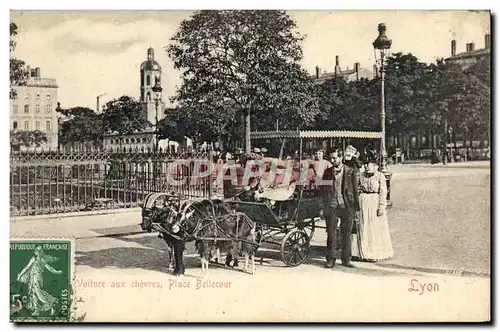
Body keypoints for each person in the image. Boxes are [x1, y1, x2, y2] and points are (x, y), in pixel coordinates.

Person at [321, 149, 360, 268]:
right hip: (332, 206)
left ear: (341, 157)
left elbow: (355, 191)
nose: (332, 161)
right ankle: (331, 259)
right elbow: (322, 191)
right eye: (331, 158)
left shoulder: (350, 172)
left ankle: (346, 259)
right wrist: (321, 208)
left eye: (334, 158)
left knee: (346, 234)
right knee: (331, 234)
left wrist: (356, 209)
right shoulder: (327, 172)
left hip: (347, 206)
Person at [351, 155, 394, 262]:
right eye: (364, 164)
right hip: (363, 202)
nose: (366, 166)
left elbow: (383, 192)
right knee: (363, 226)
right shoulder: (360, 175)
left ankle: (374, 252)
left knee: (374, 227)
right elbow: (356, 189)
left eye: (368, 164)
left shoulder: (380, 176)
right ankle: (361, 252)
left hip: (374, 202)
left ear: (374, 165)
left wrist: (381, 206)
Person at [16, 246, 63, 316]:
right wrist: (20, 275)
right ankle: (37, 310)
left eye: (36, 251)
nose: (35, 252)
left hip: (38, 278)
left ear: (40, 252)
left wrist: (57, 272)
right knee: (33, 293)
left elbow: (50, 268)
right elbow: (27, 267)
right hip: (32, 277)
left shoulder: (43, 260)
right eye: (35, 251)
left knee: (38, 292)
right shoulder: (33, 259)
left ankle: (50, 304)